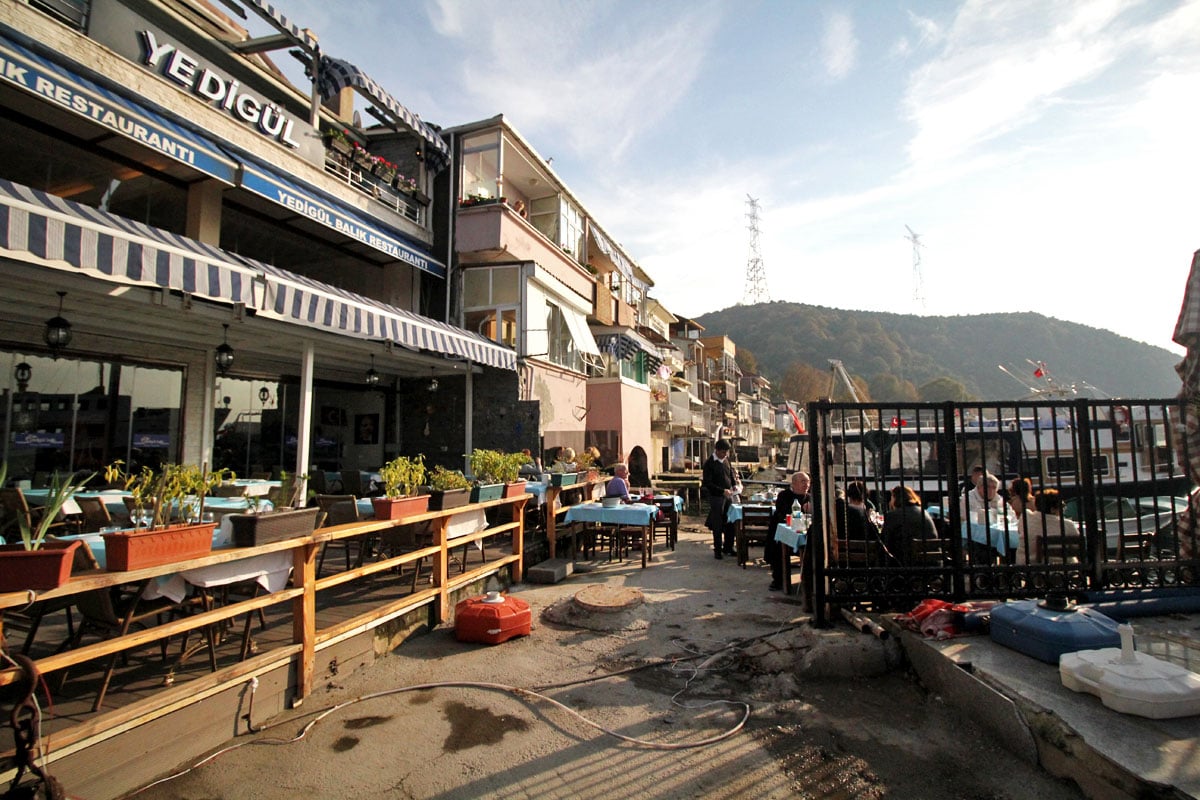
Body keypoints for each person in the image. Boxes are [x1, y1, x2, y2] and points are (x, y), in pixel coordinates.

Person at [767, 471, 811, 590]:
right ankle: (779, 580)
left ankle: (810, 582)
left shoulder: (810, 497)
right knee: (779, 547)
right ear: (794, 483)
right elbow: (783, 514)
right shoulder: (784, 496)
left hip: (805, 532)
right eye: (803, 482)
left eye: (808, 482)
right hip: (785, 531)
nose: (806, 485)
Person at [882, 485, 939, 566]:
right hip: (932, 563)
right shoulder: (923, 512)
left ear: (895, 498)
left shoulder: (894, 515)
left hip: (909, 565)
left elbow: (885, 539)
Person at [702, 439, 737, 559]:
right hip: (716, 496)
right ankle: (718, 549)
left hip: (729, 495)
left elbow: (730, 474)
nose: (725, 455)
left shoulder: (727, 460)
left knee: (731, 522)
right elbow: (707, 483)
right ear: (717, 451)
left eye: (726, 452)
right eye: (723, 452)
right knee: (718, 524)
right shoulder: (709, 464)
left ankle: (728, 547)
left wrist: (734, 484)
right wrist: (722, 491)